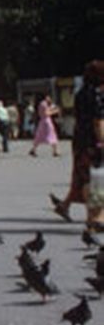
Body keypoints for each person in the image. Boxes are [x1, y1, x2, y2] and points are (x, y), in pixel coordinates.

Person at [54, 61, 104, 229]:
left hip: (80, 140)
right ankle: (96, 217)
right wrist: (102, 140)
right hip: (93, 142)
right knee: (95, 179)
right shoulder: (96, 95)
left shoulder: (80, 93)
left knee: (83, 177)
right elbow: (98, 121)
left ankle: (68, 207)